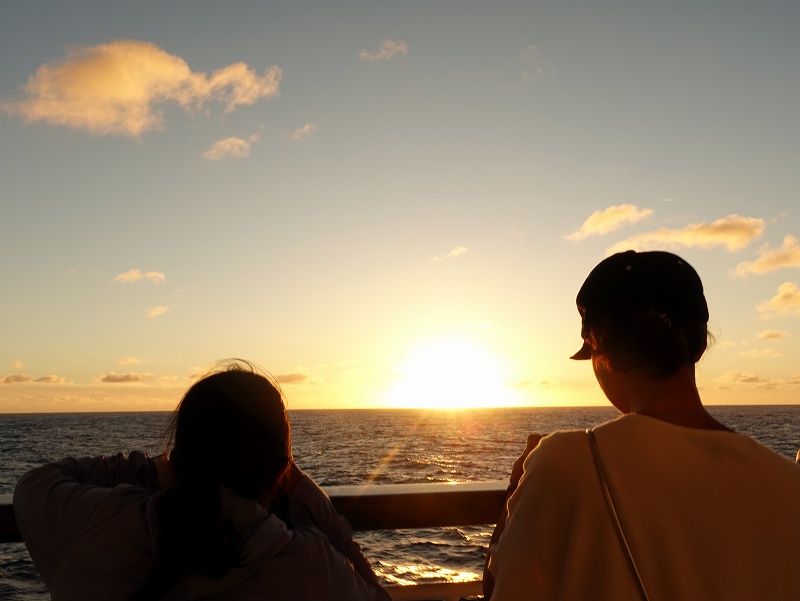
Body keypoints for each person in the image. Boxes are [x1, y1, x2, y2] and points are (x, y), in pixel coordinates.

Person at [484, 250, 800, 600]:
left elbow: (501, 589)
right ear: (697, 347)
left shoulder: (565, 462)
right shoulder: (789, 481)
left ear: (599, 345)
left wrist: (519, 490)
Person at [14, 361, 390, 601]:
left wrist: (146, 469)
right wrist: (305, 491)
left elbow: (36, 484)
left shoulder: (99, 524)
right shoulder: (311, 567)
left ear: (178, 458)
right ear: (280, 471)